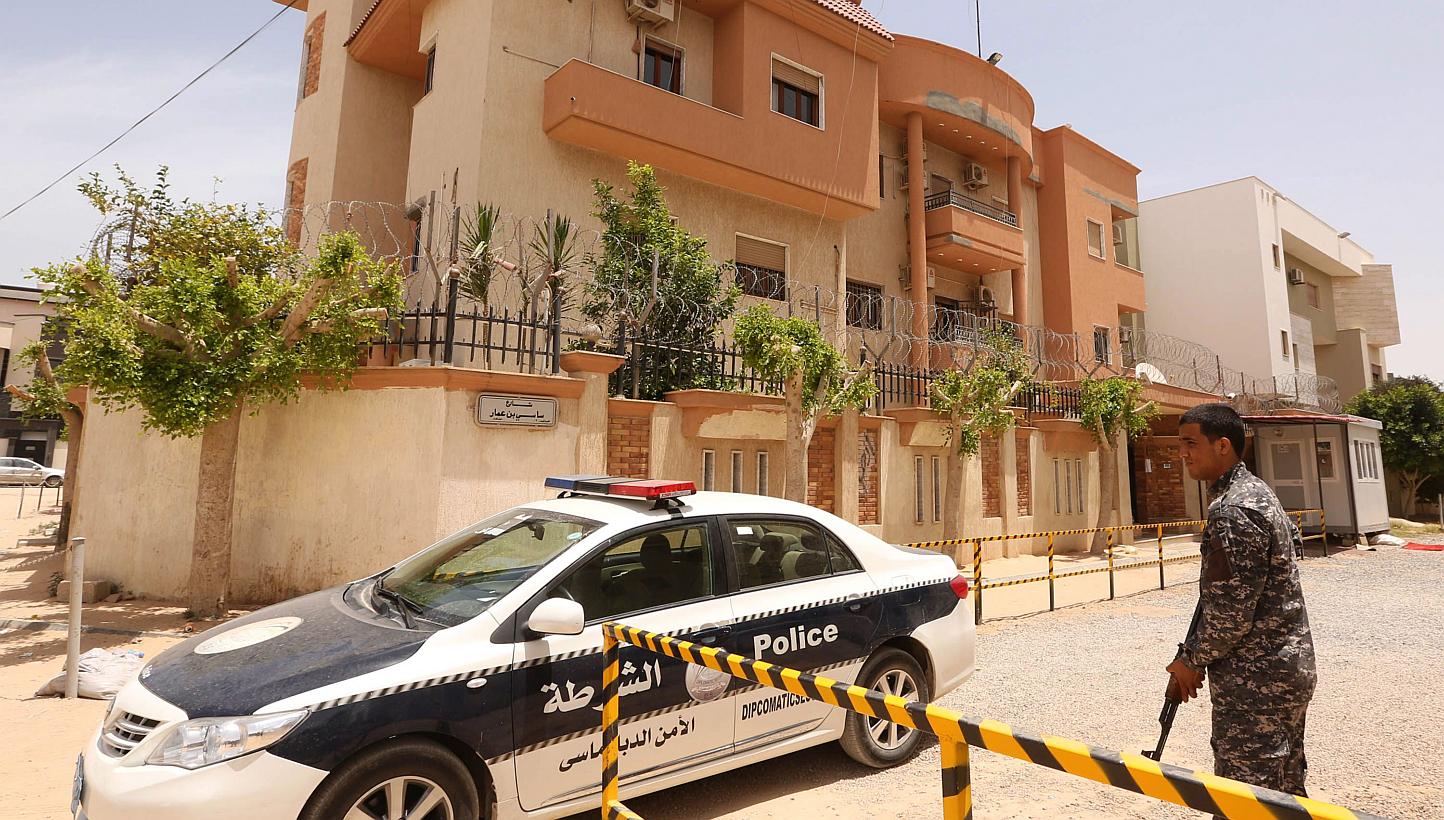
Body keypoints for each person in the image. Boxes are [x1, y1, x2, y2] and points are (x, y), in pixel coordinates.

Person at [1168, 403, 1316, 797]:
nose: (1182, 453)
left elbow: (1231, 615)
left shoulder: (1234, 509)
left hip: (1257, 683)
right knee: (1283, 794)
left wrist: (1190, 662)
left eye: (1190, 443)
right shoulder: (1252, 493)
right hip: (1277, 672)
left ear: (1223, 446)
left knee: (1248, 798)